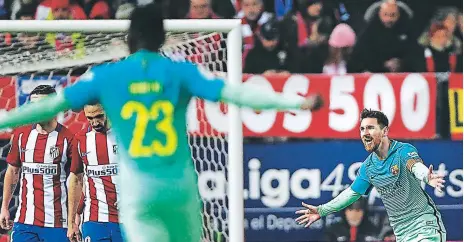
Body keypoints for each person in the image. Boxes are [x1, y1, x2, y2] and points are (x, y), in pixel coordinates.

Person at [0, 3, 323, 242]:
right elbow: (237, 95)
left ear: (128, 38)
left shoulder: (108, 75)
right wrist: (296, 102)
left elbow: (49, 106)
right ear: (162, 39)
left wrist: (5, 118)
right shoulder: (178, 71)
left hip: (139, 192)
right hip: (179, 189)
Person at [295, 109, 446, 242]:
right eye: (362, 129)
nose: (365, 133)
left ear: (385, 131)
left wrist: (427, 176)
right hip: (402, 234)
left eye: (370, 128)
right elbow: (351, 194)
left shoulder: (402, 151)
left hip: (425, 226)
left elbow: (413, 165)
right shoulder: (368, 167)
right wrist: (322, 210)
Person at [0, 85, 74, 242]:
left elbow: (78, 180)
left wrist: (75, 219)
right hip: (25, 222)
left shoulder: (69, 138)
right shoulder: (21, 135)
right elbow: (12, 171)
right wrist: (5, 207)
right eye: (32, 105)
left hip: (58, 224)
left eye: (40, 105)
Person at [67, 104, 123, 242]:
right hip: (95, 219)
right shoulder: (81, 140)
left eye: (99, 116)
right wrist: (72, 221)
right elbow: (77, 180)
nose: (95, 122)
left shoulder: (126, 135)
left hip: (128, 219)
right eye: (90, 118)